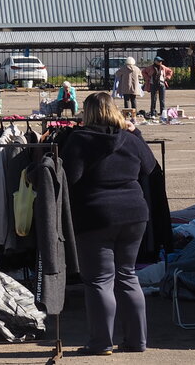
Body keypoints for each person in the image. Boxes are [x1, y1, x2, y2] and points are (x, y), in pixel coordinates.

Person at [62, 92, 157, 355]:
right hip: (135, 213)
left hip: (96, 215)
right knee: (127, 275)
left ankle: (101, 343)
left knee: (99, 280)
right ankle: (137, 341)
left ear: (88, 112)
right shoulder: (129, 138)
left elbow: (70, 176)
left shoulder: (80, 139)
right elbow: (149, 167)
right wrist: (136, 133)